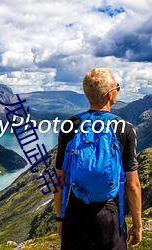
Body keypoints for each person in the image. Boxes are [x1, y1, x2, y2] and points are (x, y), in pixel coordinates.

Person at [54, 68, 142, 250]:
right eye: (118, 87)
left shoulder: (70, 125)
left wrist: (60, 218)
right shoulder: (124, 129)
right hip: (109, 215)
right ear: (110, 94)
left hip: (76, 212)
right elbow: (132, 185)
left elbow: (59, 179)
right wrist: (137, 225)